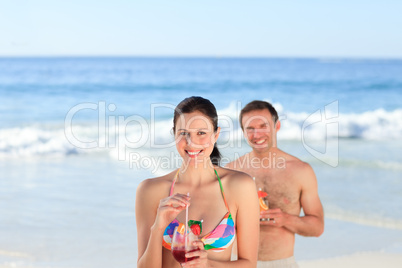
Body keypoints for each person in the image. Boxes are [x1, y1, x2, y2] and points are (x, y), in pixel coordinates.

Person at [136, 96, 259, 268]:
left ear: (216, 135)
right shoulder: (150, 190)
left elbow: (249, 264)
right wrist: (158, 227)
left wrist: (208, 264)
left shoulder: (240, 186)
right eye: (183, 133)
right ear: (174, 135)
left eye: (201, 133)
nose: (191, 142)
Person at [226, 100, 324, 268]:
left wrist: (285, 219)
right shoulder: (231, 171)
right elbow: (215, 224)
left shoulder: (301, 171)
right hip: (237, 262)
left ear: (277, 126)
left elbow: (317, 227)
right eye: (250, 128)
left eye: (263, 126)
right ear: (243, 132)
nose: (257, 134)